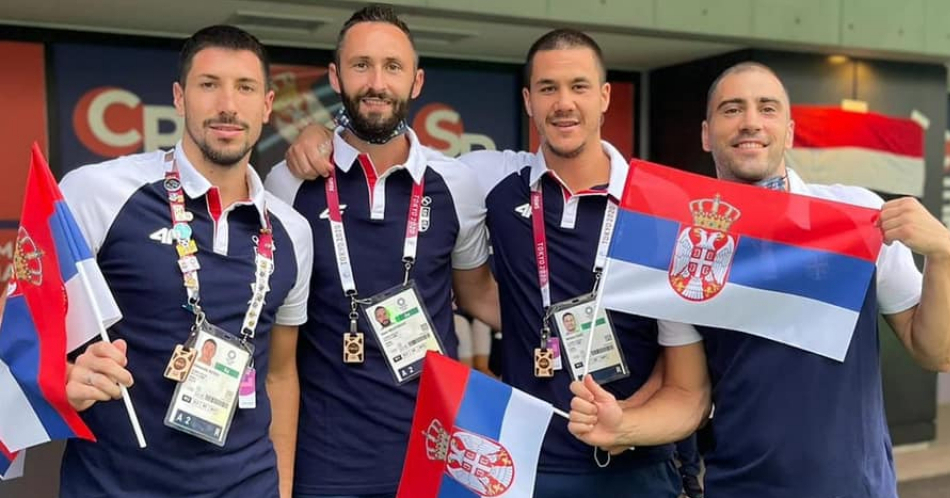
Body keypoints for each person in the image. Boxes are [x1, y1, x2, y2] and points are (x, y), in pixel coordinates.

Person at [286, 28, 710, 498]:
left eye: (579, 87)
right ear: (528, 100)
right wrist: (324, 134)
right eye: (548, 88)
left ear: (606, 96)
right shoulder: (489, 180)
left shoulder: (658, 210)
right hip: (521, 466)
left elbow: (689, 393)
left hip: (636, 472)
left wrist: (624, 426)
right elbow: (389, 148)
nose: (564, 103)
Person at [568, 61, 950, 498]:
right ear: (706, 132)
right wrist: (623, 425)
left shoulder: (855, 219)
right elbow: (689, 397)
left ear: (790, 132)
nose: (751, 122)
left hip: (856, 488)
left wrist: (944, 255)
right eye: (732, 109)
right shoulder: (684, 247)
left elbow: (938, 352)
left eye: (767, 108)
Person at [59, 25, 313, 498]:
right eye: (209, 84)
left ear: (267, 104)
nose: (228, 106)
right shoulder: (96, 192)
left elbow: (279, 373)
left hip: (247, 484)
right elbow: (19, 324)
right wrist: (61, 374)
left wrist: (281, 488)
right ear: (179, 97)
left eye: (245, 88)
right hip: (117, 485)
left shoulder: (293, 232)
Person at [264, 5, 498, 497]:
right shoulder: (289, 182)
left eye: (393, 67)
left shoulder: (456, 183)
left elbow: (479, 297)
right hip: (324, 464)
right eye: (361, 65)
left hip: (436, 456)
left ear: (416, 82)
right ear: (335, 76)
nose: (376, 82)